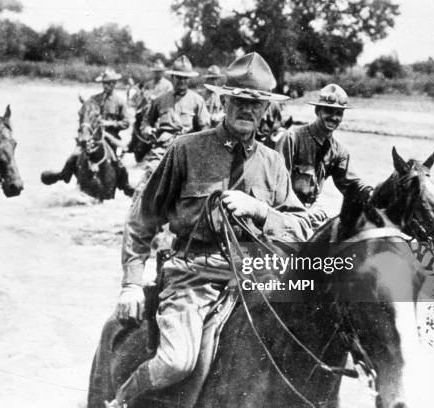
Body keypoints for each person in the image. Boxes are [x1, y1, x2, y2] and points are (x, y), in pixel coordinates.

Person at [104, 52, 314, 408]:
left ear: (265, 110)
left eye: (256, 104)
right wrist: (132, 283)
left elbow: (299, 227)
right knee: (176, 362)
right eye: (240, 101)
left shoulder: (274, 163)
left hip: (255, 279)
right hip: (193, 277)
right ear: (224, 100)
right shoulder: (186, 150)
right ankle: (120, 401)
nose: (247, 110)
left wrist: (261, 210)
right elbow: (143, 219)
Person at [274, 84, 373, 208]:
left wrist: (371, 193)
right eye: (329, 111)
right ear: (317, 111)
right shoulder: (292, 138)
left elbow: (351, 184)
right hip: (284, 208)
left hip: (310, 210)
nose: (334, 117)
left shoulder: (338, 152)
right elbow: (278, 184)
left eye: (339, 113)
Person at [40, 68, 135, 196]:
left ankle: (125, 186)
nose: (109, 85)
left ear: (115, 83)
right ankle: (64, 175)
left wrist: (110, 123)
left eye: (112, 82)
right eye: (107, 83)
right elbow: (84, 116)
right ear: (103, 84)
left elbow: (126, 123)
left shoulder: (119, 102)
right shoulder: (93, 100)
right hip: (90, 136)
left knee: (119, 163)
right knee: (74, 156)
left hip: (108, 138)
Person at [138, 55, 210, 182]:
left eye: (185, 78)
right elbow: (146, 122)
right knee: (145, 183)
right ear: (172, 78)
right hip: (162, 148)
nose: (182, 81)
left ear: (189, 80)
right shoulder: (160, 100)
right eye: (178, 77)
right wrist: (148, 130)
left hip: (188, 149)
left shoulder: (197, 101)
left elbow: (205, 128)